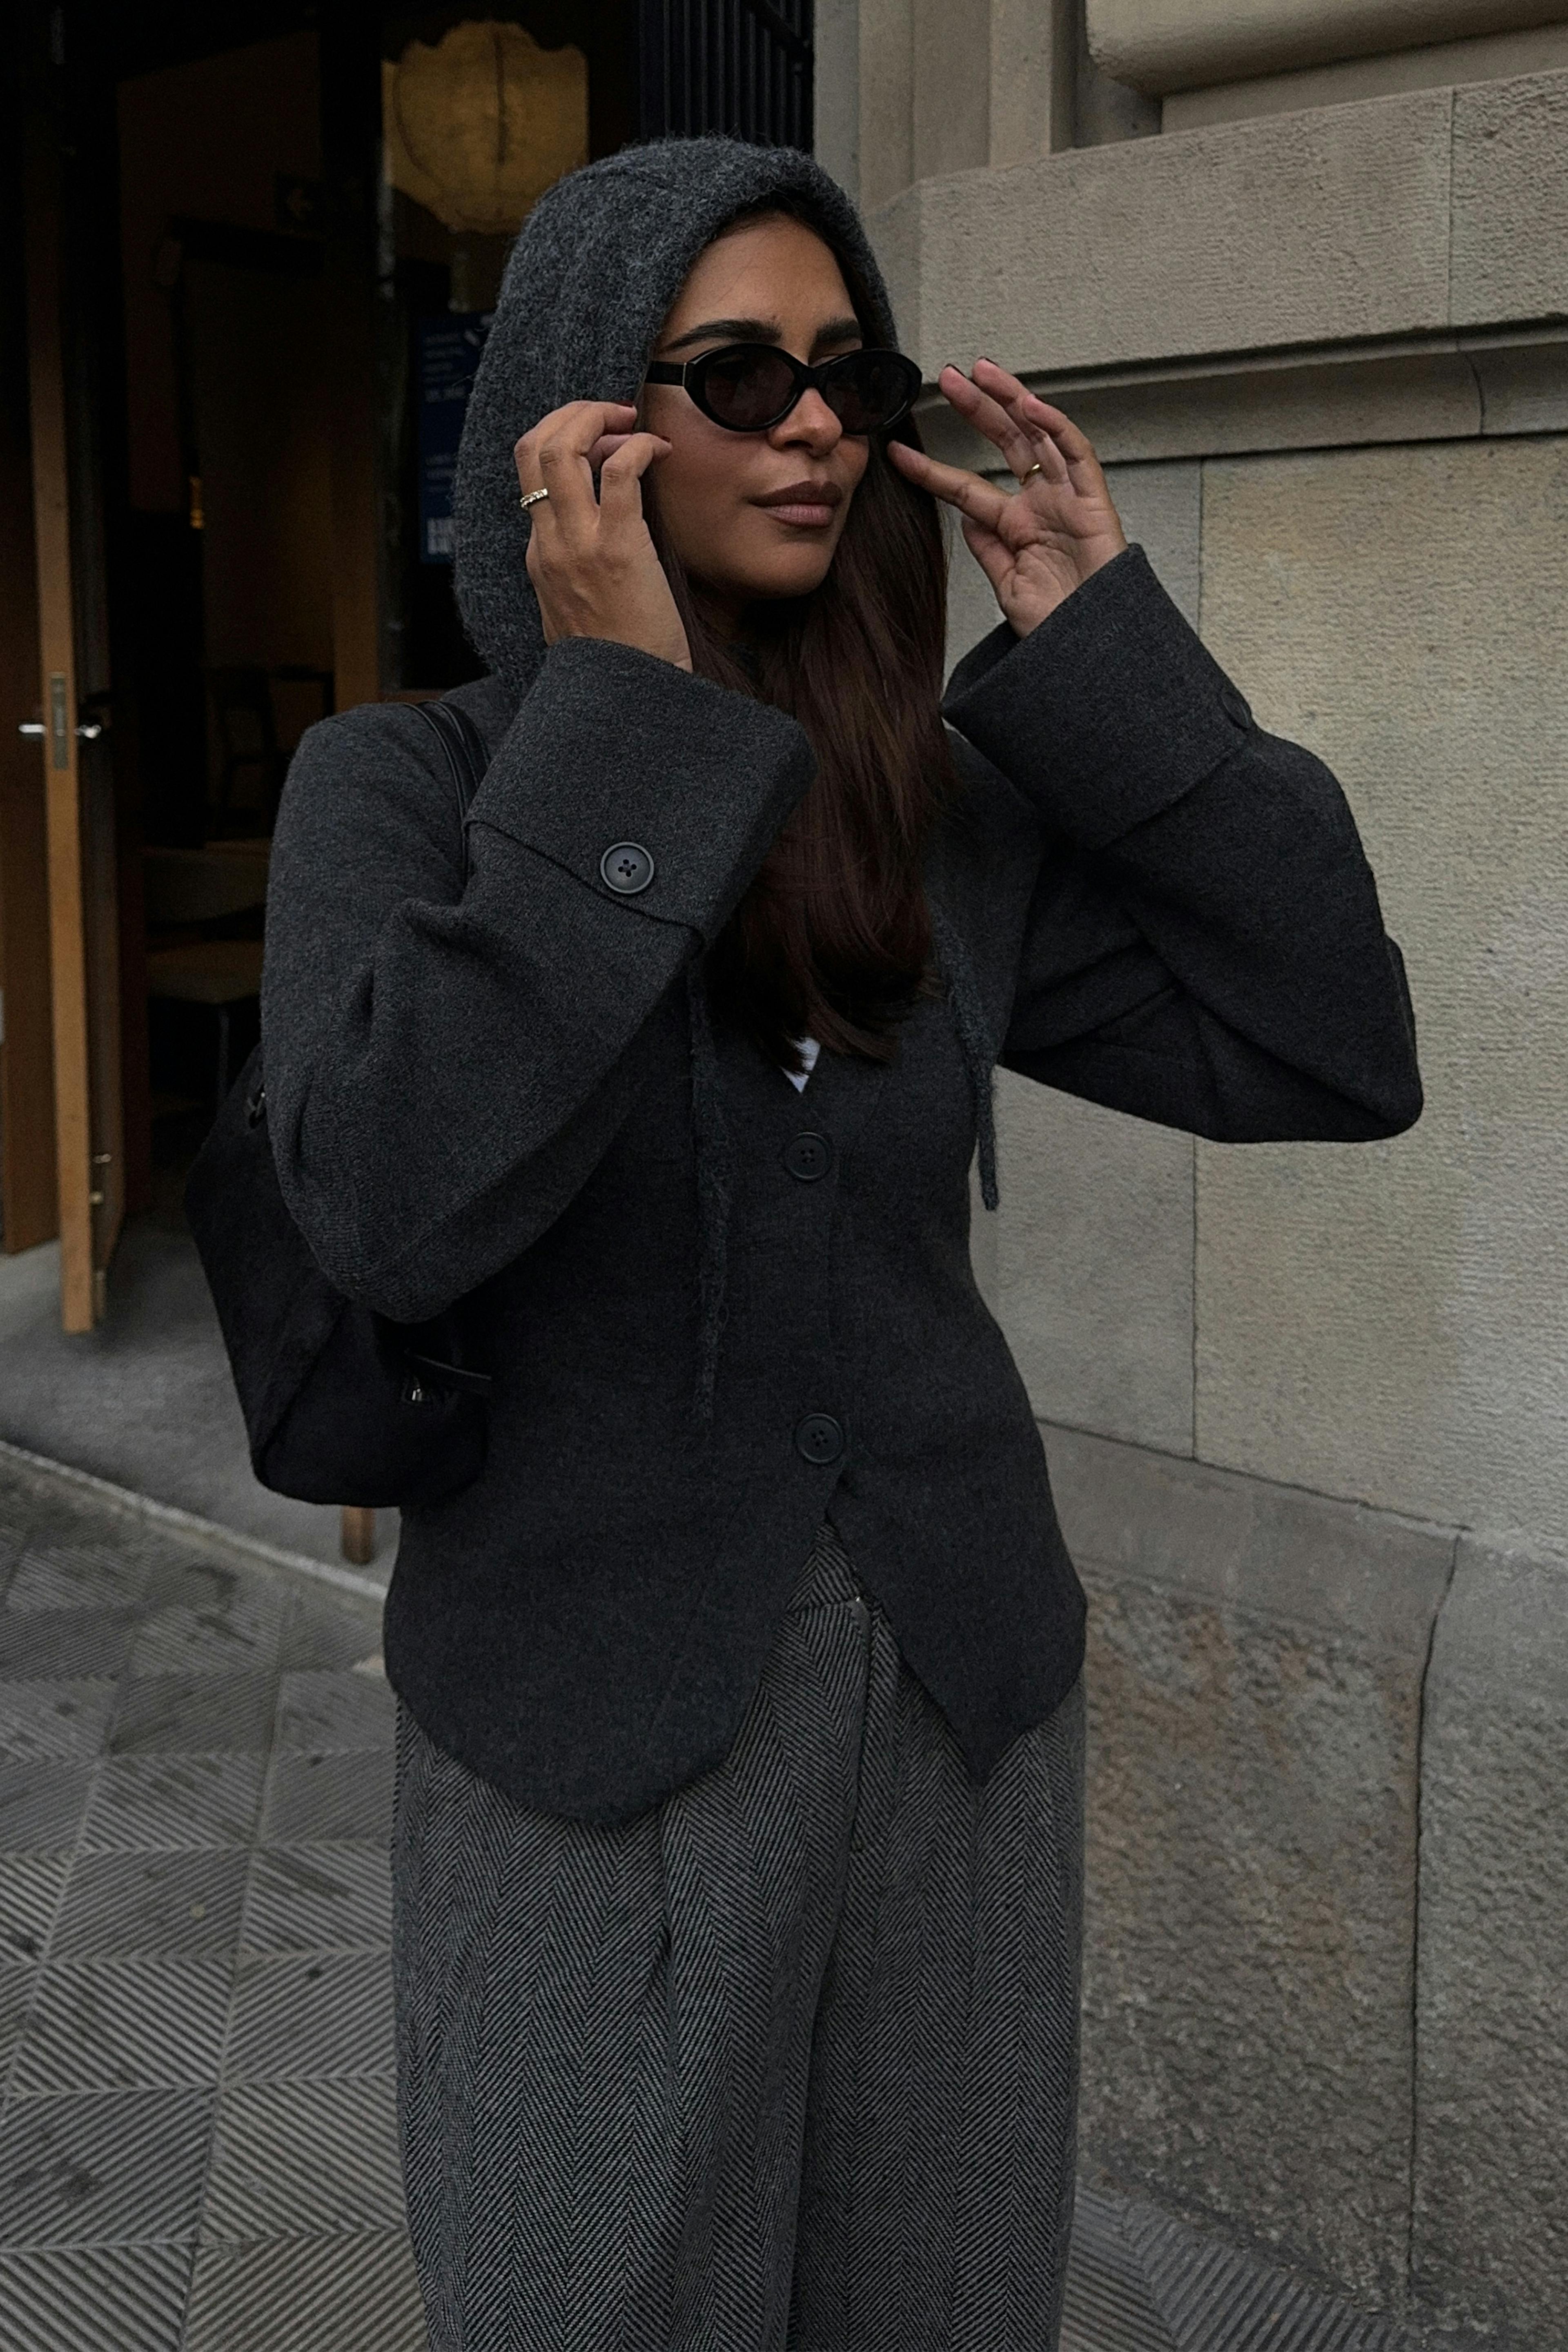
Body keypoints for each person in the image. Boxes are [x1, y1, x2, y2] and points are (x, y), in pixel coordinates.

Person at [260, 136, 1422, 2352]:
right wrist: (624, 730)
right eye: (738, 372)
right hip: (591, 1733)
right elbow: (386, 1209)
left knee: (941, 2305)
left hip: (957, 1705)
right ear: (584, 419)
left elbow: (1333, 1047)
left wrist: (1110, 653)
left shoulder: (931, 818)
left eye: (850, 374)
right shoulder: (403, 793)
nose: (812, 423)